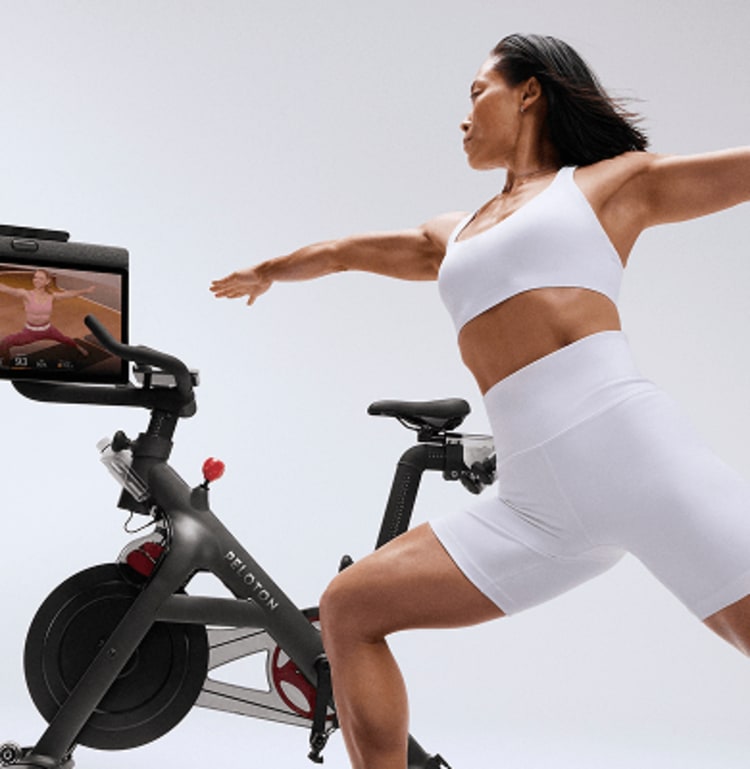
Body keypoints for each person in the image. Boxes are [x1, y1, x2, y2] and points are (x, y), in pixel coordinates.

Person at [211, 33, 750, 769]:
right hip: (535, 506)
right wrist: (270, 269)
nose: (463, 118)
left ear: (528, 92)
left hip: (633, 457)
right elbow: (343, 251)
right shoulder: (454, 234)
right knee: (349, 606)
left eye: (475, 94)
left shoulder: (609, 186)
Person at [0, 268, 94, 361]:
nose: (36, 280)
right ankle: (5, 356)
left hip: (48, 330)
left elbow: (69, 294)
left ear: (47, 281)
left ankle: (78, 347)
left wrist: (85, 291)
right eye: (35, 278)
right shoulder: (26, 294)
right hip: (30, 332)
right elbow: (7, 289)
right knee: (6, 341)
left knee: (66, 339)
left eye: (40, 278)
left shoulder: (51, 296)